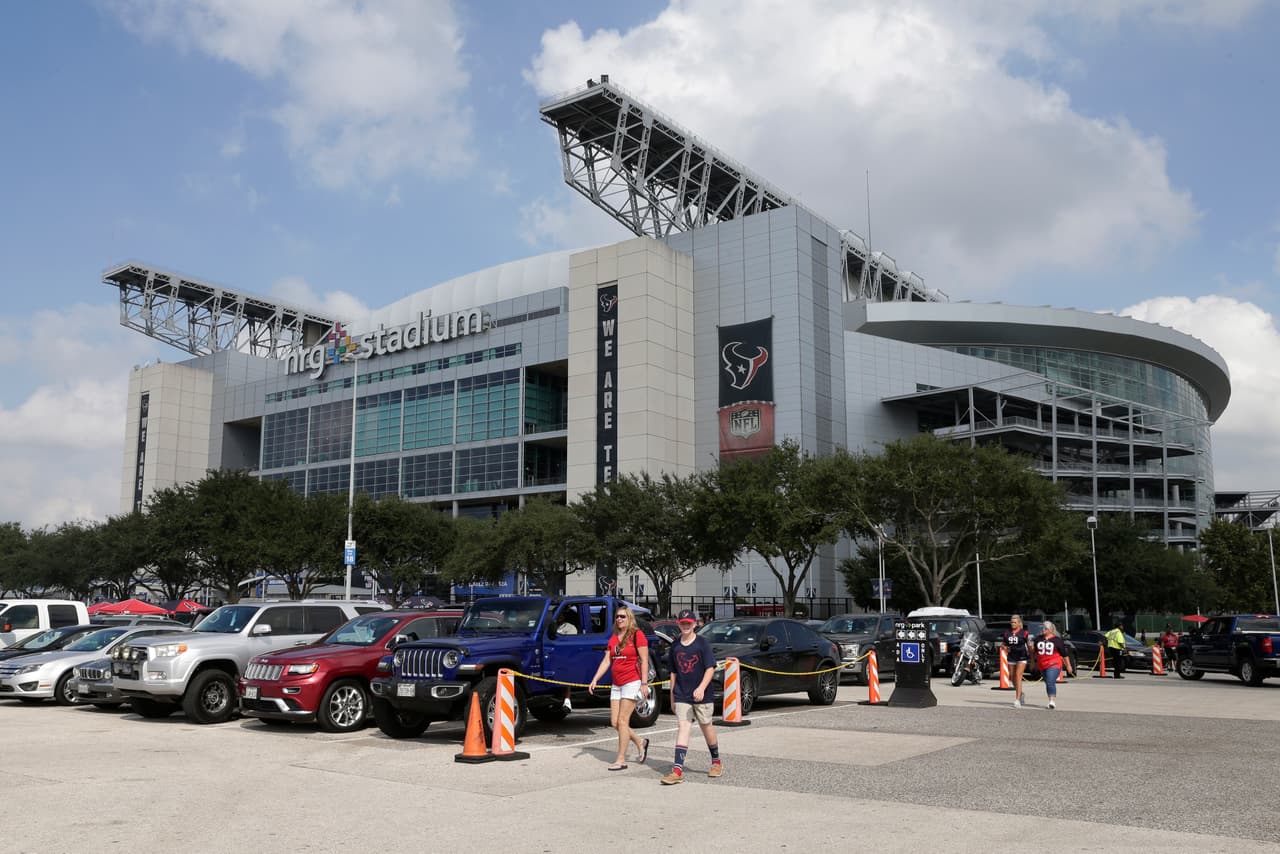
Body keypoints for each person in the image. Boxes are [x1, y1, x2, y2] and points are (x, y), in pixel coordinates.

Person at [662, 609, 722, 785]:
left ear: (695, 624)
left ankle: (716, 761)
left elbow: (710, 668)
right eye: (683, 623)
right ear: (678, 624)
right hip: (682, 693)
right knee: (683, 727)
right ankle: (677, 770)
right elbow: (673, 672)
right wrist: (672, 696)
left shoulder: (702, 644)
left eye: (689, 623)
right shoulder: (675, 646)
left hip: (702, 695)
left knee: (706, 726)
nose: (686, 625)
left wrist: (701, 688)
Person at [587, 606, 650, 771]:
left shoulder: (637, 635)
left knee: (623, 721)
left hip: (632, 681)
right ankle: (640, 742)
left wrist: (644, 684)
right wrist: (595, 679)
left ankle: (621, 759)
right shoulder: (614, 637)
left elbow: (644, 660)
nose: (619, 619)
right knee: (615, 722)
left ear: (629, 618)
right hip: (617, 684)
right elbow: (607, 660)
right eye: (617, 617)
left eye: (622, 616)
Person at [1033, 620, 1074, 709]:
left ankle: (1052, 701)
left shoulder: (1057, 640)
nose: (1043, 630)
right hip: (1042, 664)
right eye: (1042, 628)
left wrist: (1068, 665)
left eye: (1045, 628)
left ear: (1051, 629)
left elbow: (1064, 654)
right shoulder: (1038, 639)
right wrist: (1033, 662)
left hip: (1054, 664)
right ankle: (1050, 699)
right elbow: (1034, 652)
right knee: (1048, 683)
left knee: (1050, 681)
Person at [1002, 614, 1032, 708]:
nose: (1013, 624)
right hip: (1011, 657)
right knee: (1012, 677)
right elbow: (1003, 644)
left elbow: (1029, 645)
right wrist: (1005, 647)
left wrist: (1032, 658)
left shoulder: (1024, 633)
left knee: (1018, 676)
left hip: (1022, 656)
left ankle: (1017, 700)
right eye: (1012, 622)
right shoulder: (1007, 633)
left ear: (1019, 623)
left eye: (1015, 622)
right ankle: (1021, 693)